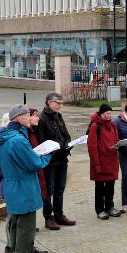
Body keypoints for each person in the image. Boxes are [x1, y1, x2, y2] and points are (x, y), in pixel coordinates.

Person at [0, 105, 52, 253]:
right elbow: (34, 163)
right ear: (19, 118)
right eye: (27, 116)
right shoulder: (18, 140)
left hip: (12, 185)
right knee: (26, 226)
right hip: (23, 186)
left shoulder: (4, 137)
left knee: (15, 223)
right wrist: (48, 153)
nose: (30, 118)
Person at [37, 92, 76, 230]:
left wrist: (68, 144)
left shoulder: (59, 116)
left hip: (62, 159)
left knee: (60, 189)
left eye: (61, 103)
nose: (60, 106)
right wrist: (56, 148)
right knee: (48, 191)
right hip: (50, 162)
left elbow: (66, 135)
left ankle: (59, 215)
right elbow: (42, 142)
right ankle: (48, 217)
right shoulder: (41, 119)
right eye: (58, 103)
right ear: (49, 103)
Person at [88, 104, 121, 220]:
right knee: (100, 188)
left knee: (110, 186)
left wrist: (119, 144)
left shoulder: (112, 125)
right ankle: (100, 210)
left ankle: (110, 207)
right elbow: (92, 147)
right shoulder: (95, 126)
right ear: (101, 114)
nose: (109, 115)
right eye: (107, 113)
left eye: (110, 113)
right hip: (100, 162)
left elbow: (116, 139)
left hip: (112, 161)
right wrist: (96, 165)